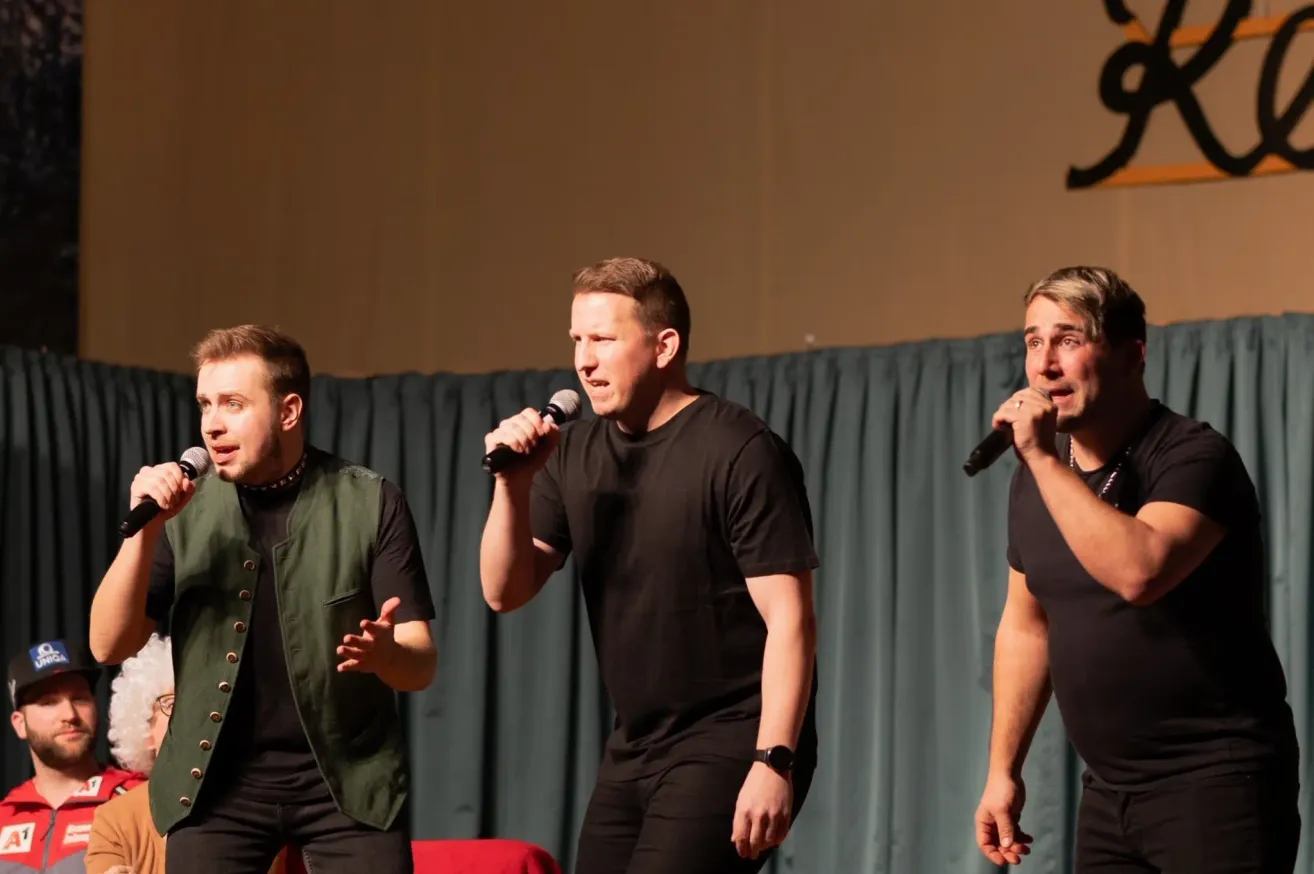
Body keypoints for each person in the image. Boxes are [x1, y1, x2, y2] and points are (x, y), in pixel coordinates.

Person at [479, 257, 820, 874]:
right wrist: (514, 486)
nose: (584, 361)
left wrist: (773, 761)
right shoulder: (573, 451)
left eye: (604, 340)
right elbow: (505, 590)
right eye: (578, 341)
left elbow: (790, 620)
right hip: (634, 744)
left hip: (731, 736)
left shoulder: (738, 449)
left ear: (665, 345)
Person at [974, 266, 1301, 872]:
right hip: (1108, 793)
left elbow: (1140, 572)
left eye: (1069, 340)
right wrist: (1002, 771)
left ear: (1132, 356)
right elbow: (1026, 625)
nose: (1045, 365)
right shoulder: (1035, 480)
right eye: (1033, 341)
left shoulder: (1191, 455)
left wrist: (1044, 461)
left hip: (1215, 784)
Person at [87, 325, 438, 874]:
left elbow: (421, 663)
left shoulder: (370, 500)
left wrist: (386, 655)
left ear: (289, 411)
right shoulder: (183, 512)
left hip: (344, 779)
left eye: (233, 403)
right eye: (205, 403)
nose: (212, 423)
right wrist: (146, 530)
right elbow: (108, 645)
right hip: (214, 785)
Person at [84, 633, 289, 874]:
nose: (189, 713)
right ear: (143, 730)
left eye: (200, 700)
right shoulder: (116, 819)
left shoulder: (262, 801)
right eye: (170, 704)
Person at [0, 638, 145, 874]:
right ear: (19, 725)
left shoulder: (140, 798)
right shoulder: (5, 816)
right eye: (49, 702)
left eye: (79, 698)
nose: (69, 714)